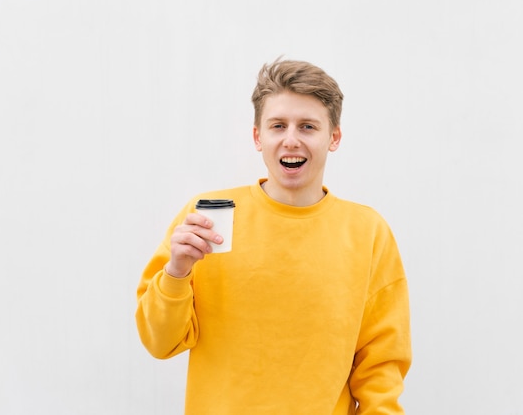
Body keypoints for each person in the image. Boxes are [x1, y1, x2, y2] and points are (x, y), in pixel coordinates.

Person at [135, 58, 412, 414]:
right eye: (278, 125)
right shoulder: (204, 222)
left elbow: (381, 368)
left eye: (308, 126)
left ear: (334, 137)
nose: (291, 140)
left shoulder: (367, 232)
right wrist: (176, 272)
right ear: (257, 136)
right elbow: (159, 343)